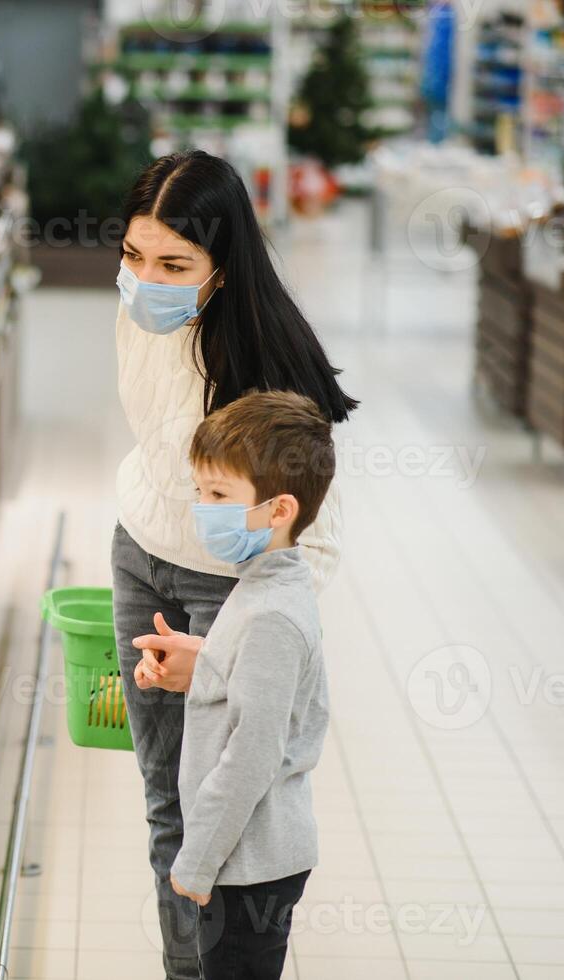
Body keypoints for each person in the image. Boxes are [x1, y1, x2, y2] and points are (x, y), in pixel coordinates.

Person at [110, 149, 355, 979]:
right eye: (134, 257)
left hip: (230, 587)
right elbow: (154, 439)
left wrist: (221, 654)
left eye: (174, 265)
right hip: (139, 556)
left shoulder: (266, 369)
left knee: (221, 801)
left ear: (223, 269)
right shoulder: (139, 312)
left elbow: (311, 543)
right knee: (163, 797)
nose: (147, 280)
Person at [136, 391, 332, 980]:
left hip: (250, 866)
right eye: (200, 492)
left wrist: (195, 861)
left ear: (279, 510)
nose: (203, 509)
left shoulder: (271, 613)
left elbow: (253, 753)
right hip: (244, 856)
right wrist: (208, 661)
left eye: (219, 495)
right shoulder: (267, 587)